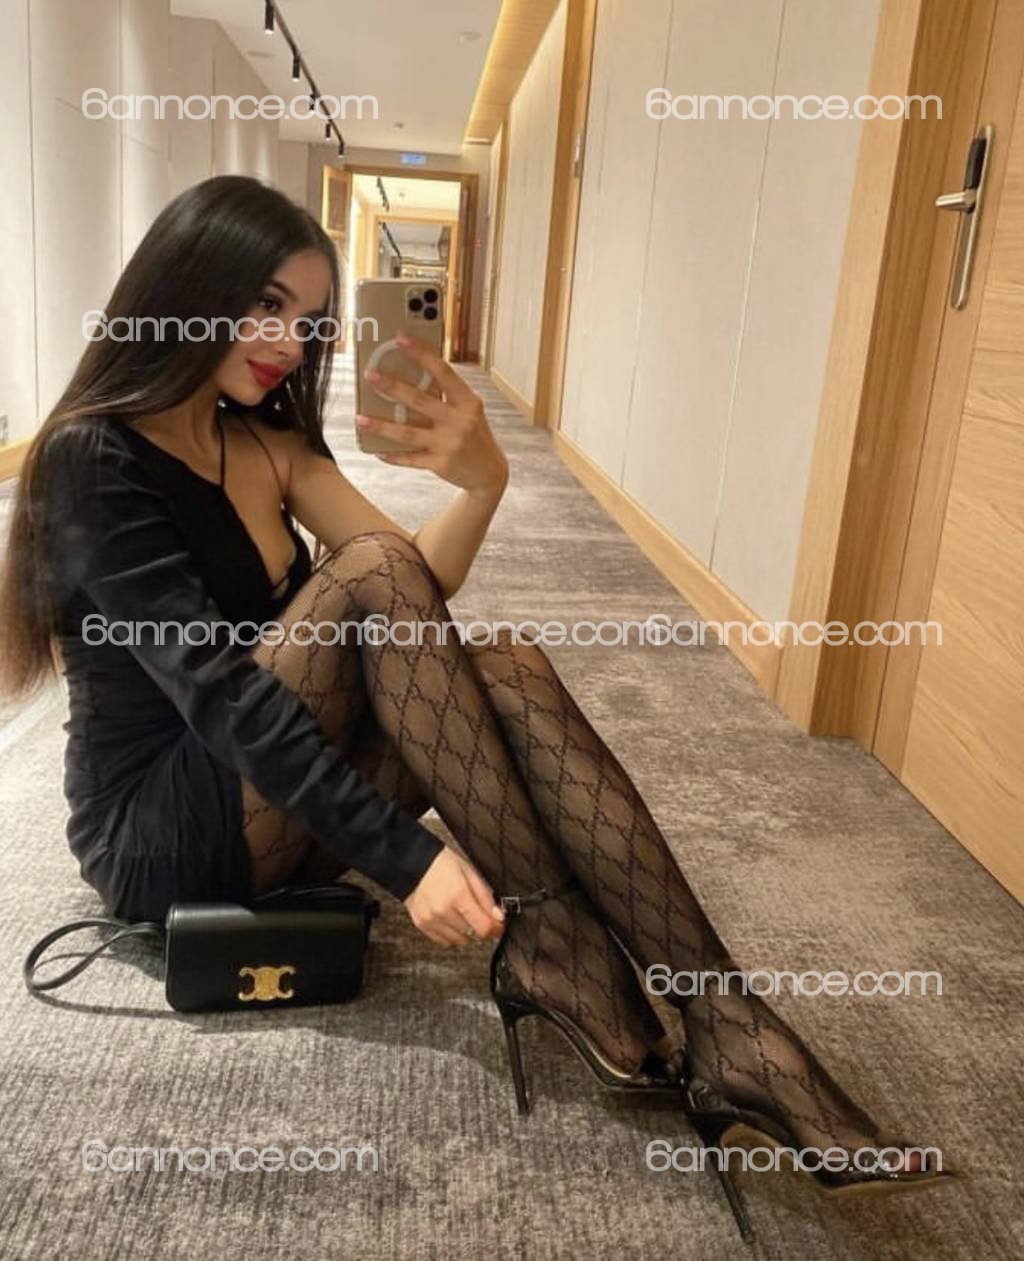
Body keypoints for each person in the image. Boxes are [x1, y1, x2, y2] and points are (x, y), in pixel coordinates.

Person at [0, 175, 951, 1240]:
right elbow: (225, 695)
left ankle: (723, 1016)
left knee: (500, 667)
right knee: (374, 577)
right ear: (184, 288)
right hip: (163, 830)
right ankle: (570, 947)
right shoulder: (93, 458)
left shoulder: (265, 442)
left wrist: (484, 484)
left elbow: (414, 592)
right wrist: (411, 860)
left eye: (307, 320)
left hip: (277, 800)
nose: (286, 342)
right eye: (264, 304)